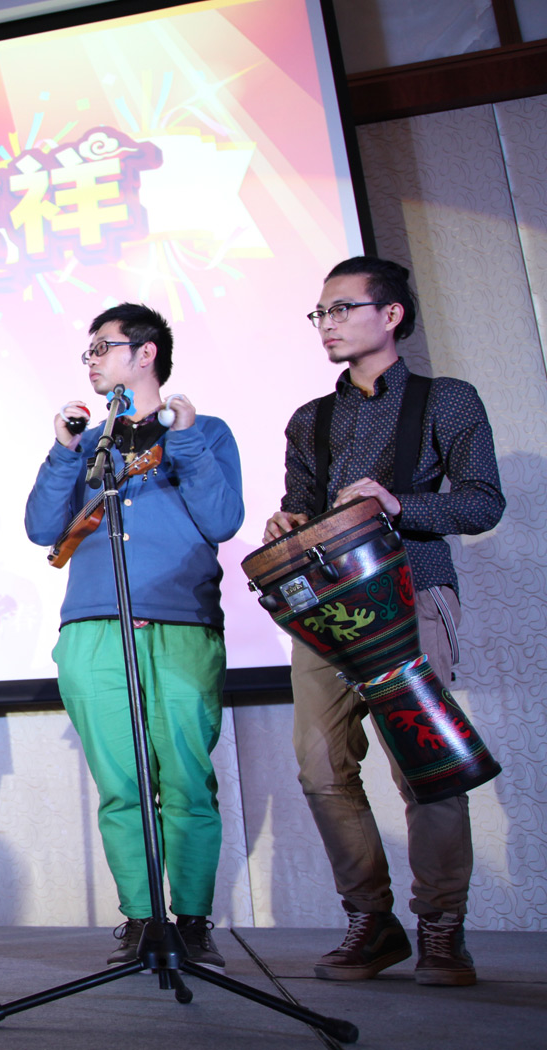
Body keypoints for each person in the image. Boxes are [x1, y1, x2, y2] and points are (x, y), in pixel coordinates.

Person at [263, 256, 503, 986]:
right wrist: (289, 525)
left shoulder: (446, 400)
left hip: (413, 593)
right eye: (321, 313)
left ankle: (442, 925)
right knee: (320, 766)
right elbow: (301, 508)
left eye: (341, 309)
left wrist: (400, 505)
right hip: (328, 613)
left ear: (391, 314)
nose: (326, 325)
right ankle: (371, 920)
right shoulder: (311, 419)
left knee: (426, 769)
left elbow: (483, 503)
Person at [24, 303, 243, 968]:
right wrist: (64, 450)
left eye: (103, 347)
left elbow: (222, 519)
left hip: (181, 626)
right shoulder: (89, 445)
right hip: (93, 627)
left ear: (145, 353)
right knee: (122, 786)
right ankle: (143, 920)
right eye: (87, 351)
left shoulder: (203, 432)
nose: (91, 360)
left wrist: (186, 439)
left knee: (187, 781)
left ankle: (194, 922)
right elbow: (41, 529)